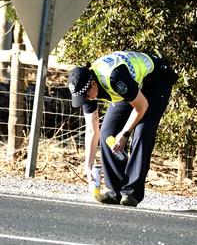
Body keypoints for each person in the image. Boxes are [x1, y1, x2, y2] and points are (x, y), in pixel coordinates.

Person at [68, 50, 178, 206]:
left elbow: (142, 106)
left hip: (154, 83)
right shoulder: (85, 88)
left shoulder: (114, 78)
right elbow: (93, 130)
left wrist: (125, 133)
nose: (86, 100)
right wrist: (88, 166)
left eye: (86, 96)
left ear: (92, 84)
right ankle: (115, 191)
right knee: (107, 133)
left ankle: (132, 193)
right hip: (131, 88)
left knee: (141, 132)